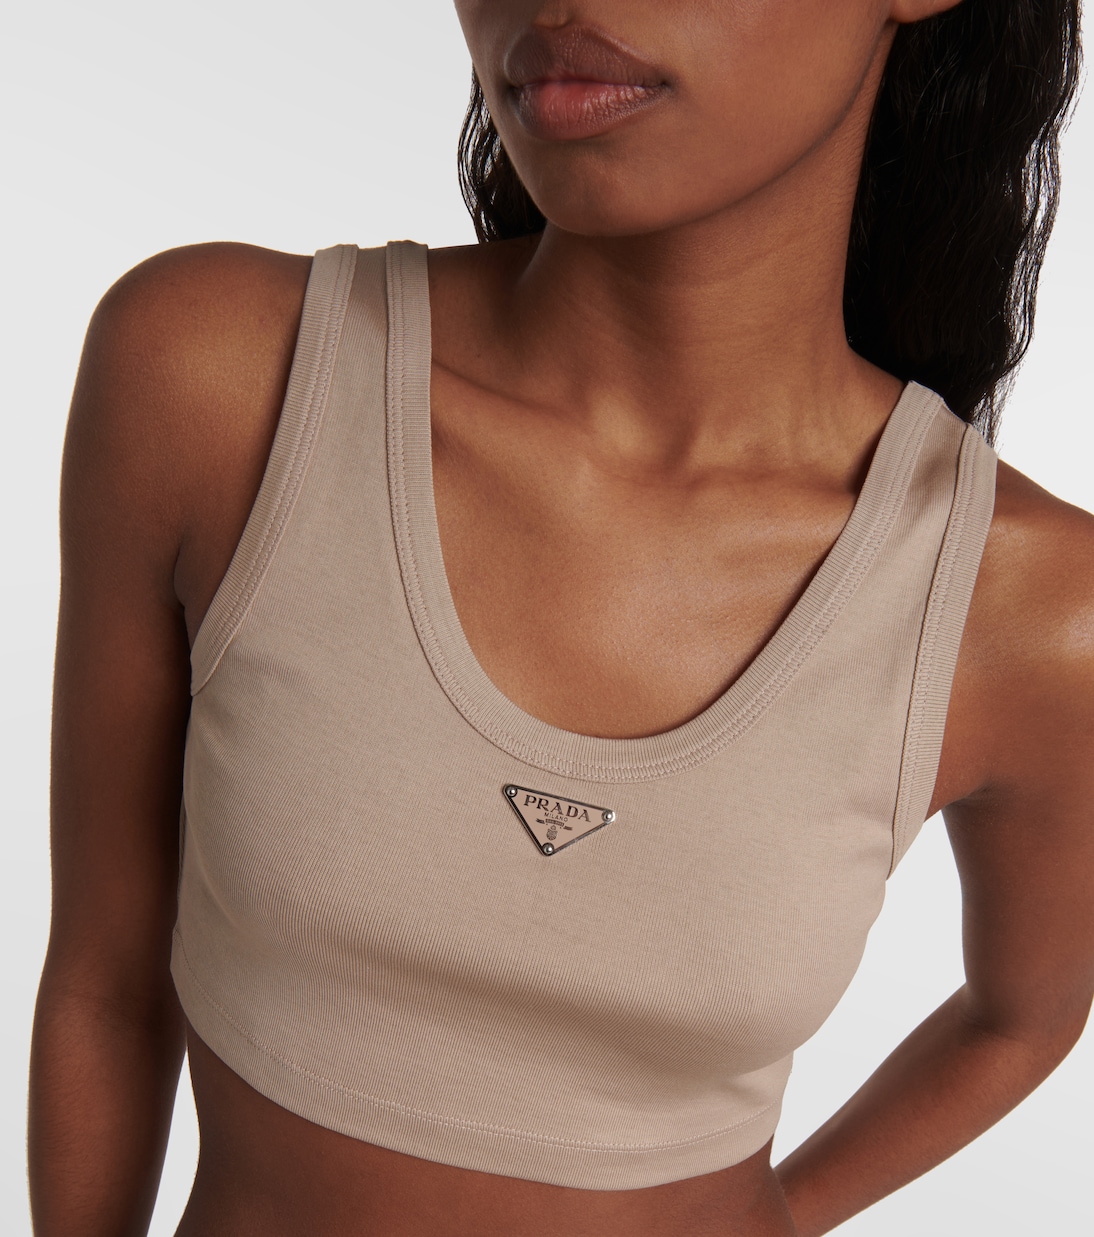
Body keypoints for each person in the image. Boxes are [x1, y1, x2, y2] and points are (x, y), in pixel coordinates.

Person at [27, 1, 1094, 1234]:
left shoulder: (1027, 609)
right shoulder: (219, 378)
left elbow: (1021, 1015)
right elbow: (104, 980)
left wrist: (775, 1211)